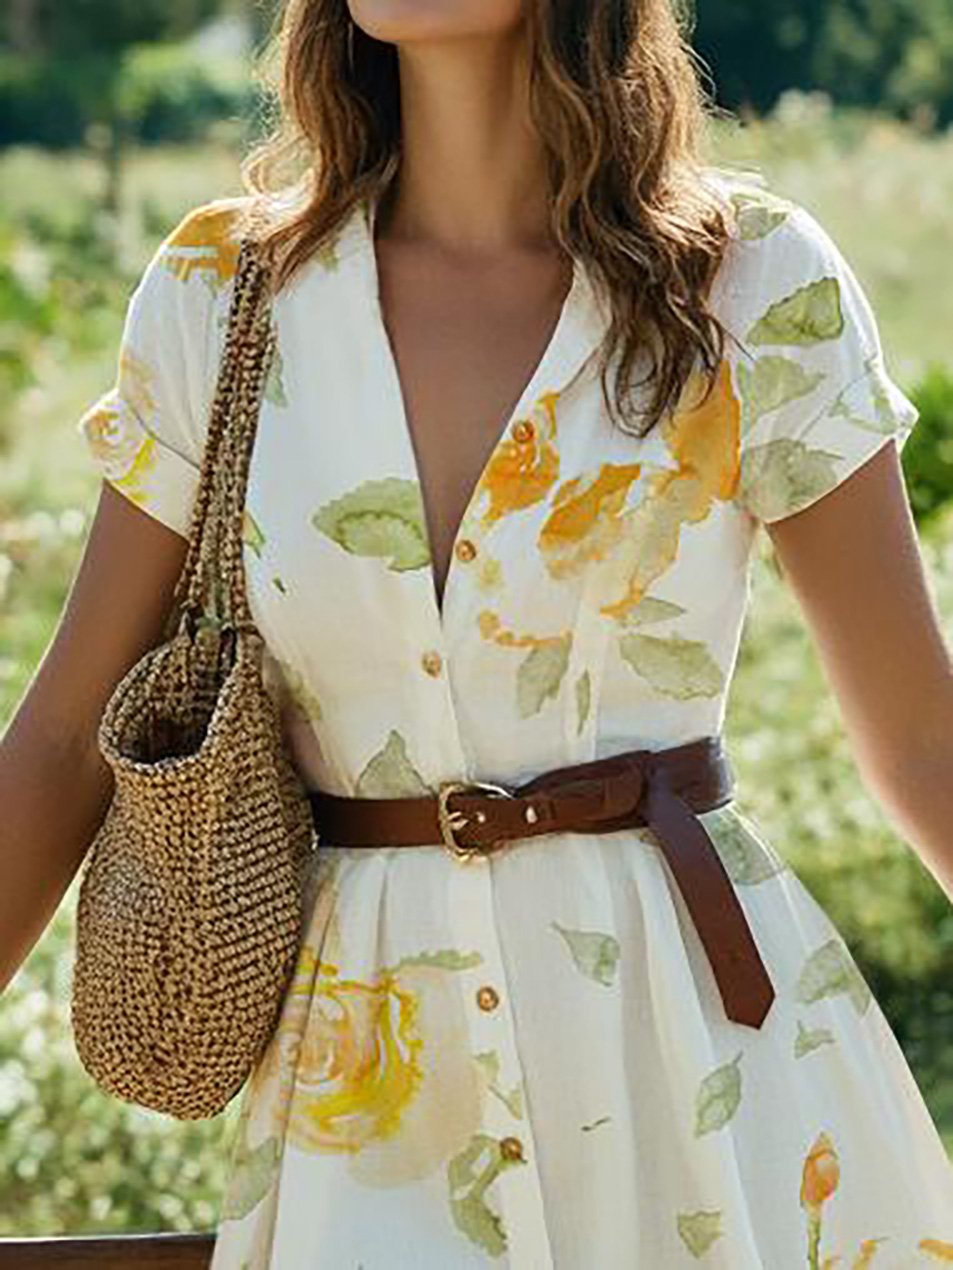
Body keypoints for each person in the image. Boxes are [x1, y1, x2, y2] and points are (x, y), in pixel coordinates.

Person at [3, 0, 953, 1265]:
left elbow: (921, 741)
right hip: (371, 1095)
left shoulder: (751, 279)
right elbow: (66, 737)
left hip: (700, 1072)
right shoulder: (221, 296)